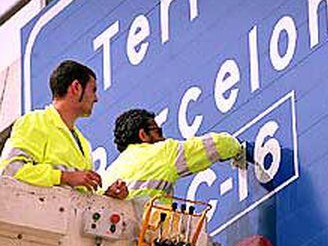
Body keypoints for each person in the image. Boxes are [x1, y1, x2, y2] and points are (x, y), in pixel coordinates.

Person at [0, 60, 127, 199]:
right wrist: (64, 177)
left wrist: (107, 197)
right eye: (93, 90)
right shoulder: (35, 121)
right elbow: (10, 170)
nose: (96, 98)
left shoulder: (83, 143)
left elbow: (83, 200)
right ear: (76, 87)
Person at [101, 108, 243, 204]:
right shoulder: (162, 152)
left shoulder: (108, 175)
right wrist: (238, 149)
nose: (163, 138)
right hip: (150, 240)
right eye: (158, 132)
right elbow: (219, 144)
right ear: (143, 135)